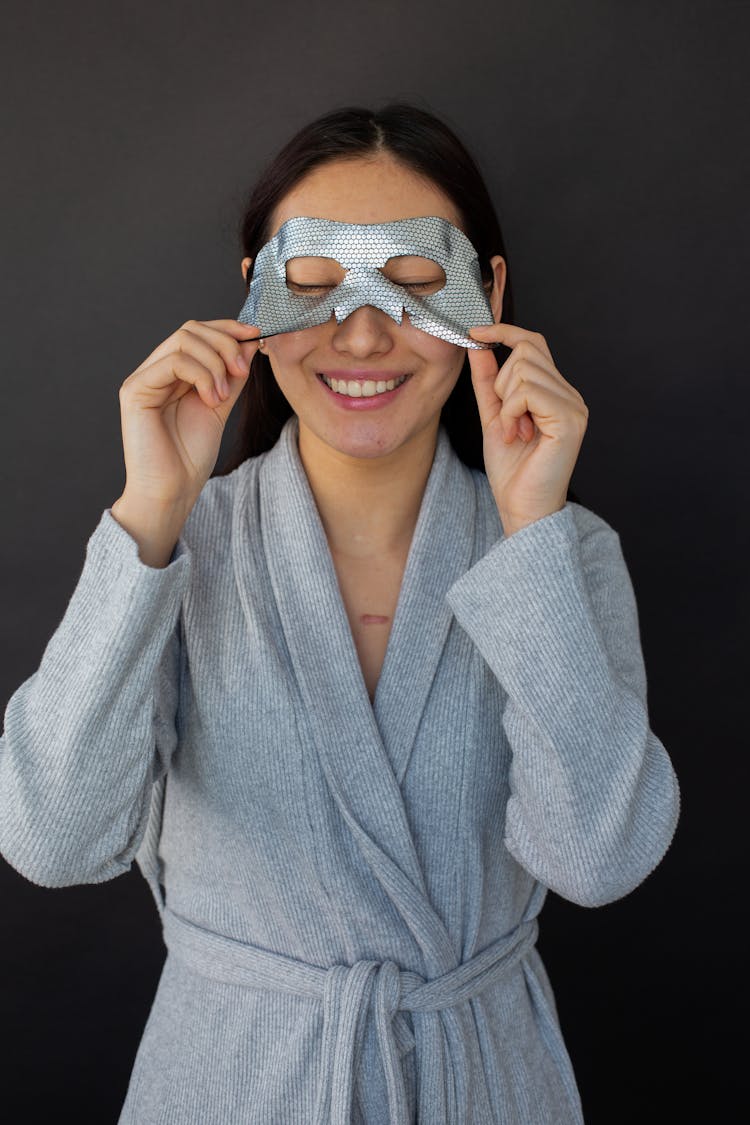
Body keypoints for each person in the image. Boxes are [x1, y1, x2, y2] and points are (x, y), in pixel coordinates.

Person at [0, 103, 680, 1124]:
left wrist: (530, 536)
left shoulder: (563, 556)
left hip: (479, 1086)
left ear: (485, 291)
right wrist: (149, 516)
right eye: (312, 287)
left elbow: (599, 860)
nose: (362, 332)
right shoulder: (182, 550)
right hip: (230, 1082)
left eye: (414, 285)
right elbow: (53, 839)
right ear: (253, 297)